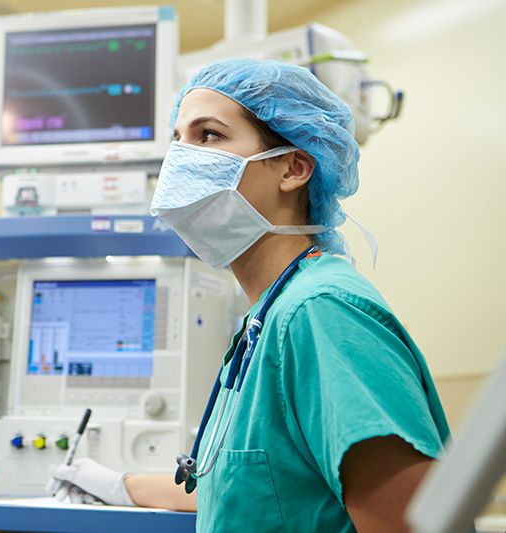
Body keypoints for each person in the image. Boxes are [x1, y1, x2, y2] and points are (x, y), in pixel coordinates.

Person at [48, 58, 449, 532]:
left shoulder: (320, 312)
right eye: (177, 139)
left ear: (294, 168)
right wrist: (118, 485)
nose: (180, 159)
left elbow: (411, 523)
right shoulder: (267, 317)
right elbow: (253, 486)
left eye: (208, 135)